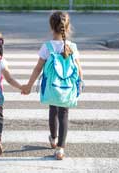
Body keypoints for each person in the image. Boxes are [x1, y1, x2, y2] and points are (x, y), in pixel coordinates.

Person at [21, 11, 83, 160]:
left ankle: (53, 139)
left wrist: (29, 85)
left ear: (51, 27)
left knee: (52, 110)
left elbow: (38, 68)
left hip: (51, 87)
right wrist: (79, 85)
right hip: (67, 88)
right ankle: (61, 148)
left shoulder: (47, 47)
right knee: (64, 114)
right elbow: (79, 69)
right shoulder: (72, 47)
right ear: (67, 28)